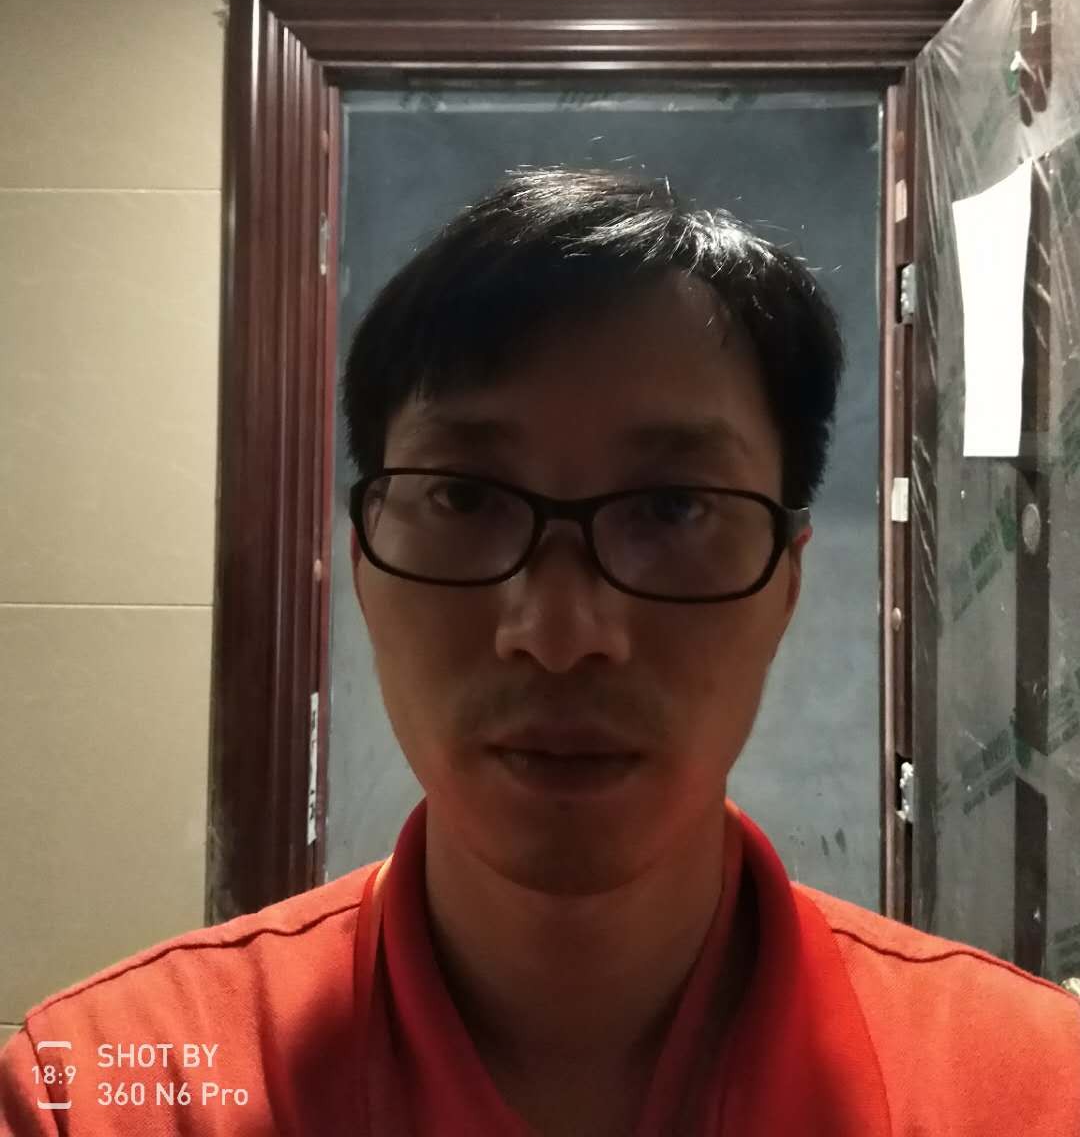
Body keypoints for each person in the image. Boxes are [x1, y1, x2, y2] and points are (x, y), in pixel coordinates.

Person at [2, 170, 1078, 1136]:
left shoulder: (1033, 1091)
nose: (561, 636)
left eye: (672, 507)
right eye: (465, 499)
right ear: (363, 568)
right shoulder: (103, 1095)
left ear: (785, 585)